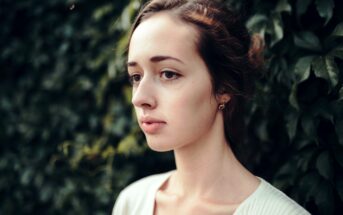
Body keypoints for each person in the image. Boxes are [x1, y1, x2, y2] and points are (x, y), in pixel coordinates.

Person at [112, 0, 310, 214]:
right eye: (136, 76)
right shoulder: (132, 202)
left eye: (169, 74)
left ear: (224, 87)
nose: (139, 98)